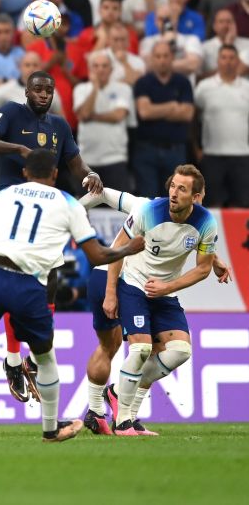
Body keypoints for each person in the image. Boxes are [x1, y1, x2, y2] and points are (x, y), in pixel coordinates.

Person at [0, 149, 145, 442]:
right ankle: (50, 429)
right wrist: (127, 249)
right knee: (44, 359)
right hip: (31, 288)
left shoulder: (2, 196)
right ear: (55, 174)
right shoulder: (69, 203)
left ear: (24, 173)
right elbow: (96, 254)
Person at [0, 69, 103, 400]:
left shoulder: (59, 125)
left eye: (49, 89)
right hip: (10, 206)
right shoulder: (11, 111)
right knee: (10, 280)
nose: (43, 94)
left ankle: (31, 357)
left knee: (51, 278)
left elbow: (76, 165)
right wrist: (17, 148)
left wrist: (90, 175)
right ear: (27, 91)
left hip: (46, 209)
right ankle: (14, 360)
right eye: (37, 89)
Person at [76, 185, 231, 436]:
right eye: (175, 189)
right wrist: (72, 212)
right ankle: (100, 409)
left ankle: (116, 409)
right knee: (121, 347)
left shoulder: (190, 220)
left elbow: (180, 240)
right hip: (112, 277)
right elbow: (101, 192)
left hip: (144, 285)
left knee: (156, 352)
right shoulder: (145, 208)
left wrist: (215, 260)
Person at [105, 165, 218, 436]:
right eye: (172, 186)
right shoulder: (149, 211)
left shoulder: (206, 223)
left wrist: (168, 286)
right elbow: (117, 249)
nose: (174, 193)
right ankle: (123, 421)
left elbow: (203, 268)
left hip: (164, 292)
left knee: (180, 350)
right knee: (141, 350)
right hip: (133, 284)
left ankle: (119, 394)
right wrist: (111, 292)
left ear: (196, 196)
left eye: (182, 189)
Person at [131, 41, 194, 198]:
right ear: (152, 59)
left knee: (176, 199)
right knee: (148, 200)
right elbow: (144, 112)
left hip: (176, 150)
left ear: (172, 57)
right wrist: (172, 106)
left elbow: (187, 114)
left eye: (166, 56)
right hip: (147, 150)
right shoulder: (143, 82)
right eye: (158, 56)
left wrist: (156, 109)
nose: (162, 60)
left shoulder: (183, 82)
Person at [193, 44, 249, 207]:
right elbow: (193, 119)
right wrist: (196, 148)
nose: (228, 62)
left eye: (232, 58)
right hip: (212, 155)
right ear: (217, 61)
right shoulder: (204, 88)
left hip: (242, 154)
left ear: (238, 61)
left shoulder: (247, 87)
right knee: (212, 205)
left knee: (242, 205)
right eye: (224, 57)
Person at [73, 52, 134, 191]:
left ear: (111, 70)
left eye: (104, 66)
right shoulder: (81, 89)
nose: (100, 69)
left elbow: (118, 115)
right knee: (85, 210)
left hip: (115, 158)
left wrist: (91, 116)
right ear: (90, 70)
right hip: (87, 161)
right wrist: (95, 88)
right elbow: (84, 114)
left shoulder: (123, 89)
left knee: (118, 210)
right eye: (96, 66)